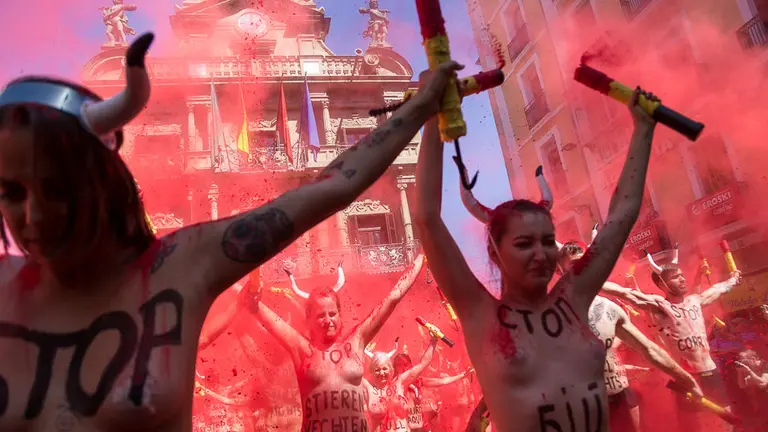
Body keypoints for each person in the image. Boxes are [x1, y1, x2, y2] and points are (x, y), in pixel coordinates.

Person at [0, 31, 462, 430]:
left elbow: (336, 185)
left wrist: (421, 105)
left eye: (57, 190)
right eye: (11, 193)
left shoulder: (176, 268)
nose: (33, 216)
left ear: (98, 180)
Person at [414, 87, 659, 431]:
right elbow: (426, 217)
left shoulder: (574, 297)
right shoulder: (480, 314)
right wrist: (430, 115)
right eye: (524, 243)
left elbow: (621, 215)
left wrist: (644, 129)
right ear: (495, 252)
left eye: (547, 241)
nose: (541, 253)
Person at [238, 254, 425, 430]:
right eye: (320, 315)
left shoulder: (357, 340)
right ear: (309, 318)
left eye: (332, 314)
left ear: (340, 315)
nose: (328, 320)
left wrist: (423, 255)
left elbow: (393, 298)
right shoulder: (301, 348)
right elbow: (258, 309)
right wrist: (251, 298)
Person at [558, 241, 702, 432]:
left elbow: (649, 349)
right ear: (561, 272)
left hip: (622, 398)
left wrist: (687, 380)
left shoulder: (610, 309)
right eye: (574, 265)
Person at [603, 248, 741, 431]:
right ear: (662, 284)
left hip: (711, 373)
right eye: (675, 277)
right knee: (691, 427)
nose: (682, 279)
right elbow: (626, 293)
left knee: (726, 423)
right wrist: (591, 282)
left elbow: (717, 289)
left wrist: (732, 279)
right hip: (685, 377)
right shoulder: (660, 306)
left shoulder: (695, 300)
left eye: (682, 275)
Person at [364, 334, 438, 432]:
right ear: (372, 371)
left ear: (390, 369)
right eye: (377, 370)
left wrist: (433, 341)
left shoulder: (399, 382)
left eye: (384, 368)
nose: (381, 373)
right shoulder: (365, 385)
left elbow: (423, 363)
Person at [392, 351, 474, 431]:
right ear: (394, 368)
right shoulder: (393, 385)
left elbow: (442, 381)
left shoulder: (418, 381)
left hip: (421, 427)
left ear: (411, 366)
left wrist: (462, 375)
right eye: (399, 365)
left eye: (406, 364)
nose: (404, 368)